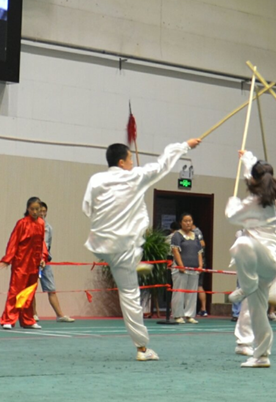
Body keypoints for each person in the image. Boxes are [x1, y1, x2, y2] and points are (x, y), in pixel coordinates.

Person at [82, 138, 201, 361]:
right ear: (122, 161)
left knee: (123, 264)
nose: (133, 163)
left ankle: (134, 263)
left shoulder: (95, 179)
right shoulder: (135, 177)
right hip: (124, 247)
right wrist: (185, 146)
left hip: (100, 246)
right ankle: (142, 349)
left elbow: (87, 208)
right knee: (129, 294)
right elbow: (163, 164)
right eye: (130, 159)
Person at [226, 150, 276, 368]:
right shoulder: (268, 199)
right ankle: (262, 356)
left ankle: (246, 285)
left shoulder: (255, 202)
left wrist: (232, 201)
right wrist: (247, 158)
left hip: (266, 260)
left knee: (241, 243)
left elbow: (231, 217)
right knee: (257, 312)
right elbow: (252, 176)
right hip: (262, 267)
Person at [0, 197, 49, 330]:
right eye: (32, 209)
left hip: (34, 264)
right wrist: (8, 258)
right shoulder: (22, 223)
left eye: (37, 209)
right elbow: (13, 241)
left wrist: (43, 257)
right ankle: (8, 319)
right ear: (27, 209)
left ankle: (28, 320)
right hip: (21, 263)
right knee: (15, 291)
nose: (35, 211)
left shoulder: (41, 223)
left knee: (29, 293)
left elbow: (41, 242)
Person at [33, 201, 75, 323]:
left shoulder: (49, 228)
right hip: (32, 262)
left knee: (51, 289)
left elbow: (48, 245)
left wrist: (44, 258)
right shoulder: (30, 225)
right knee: (31, 289)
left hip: (45, 263)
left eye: (44, 211)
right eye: (39, 210)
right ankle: (34, 314)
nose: (42, 213)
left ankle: (60, 315)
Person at [170, 213, 203, 324]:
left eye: (190, 220)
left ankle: (189, 315)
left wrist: (200, 266)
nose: (188, 223)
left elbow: (199, 252)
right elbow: (175, 251)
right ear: (181, 222)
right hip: (180, 269)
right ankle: (177, 315)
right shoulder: (177, 235)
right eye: (185, 221)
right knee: (179, 292)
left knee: (192, 292)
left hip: (194, 270)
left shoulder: (196, 236)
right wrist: (181, 265)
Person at [192, 223, 208, 317]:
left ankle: (203, 308)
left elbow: (202, 244)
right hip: (192, 262)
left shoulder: (196, 232)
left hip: (198, 263)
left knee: (199, 285)